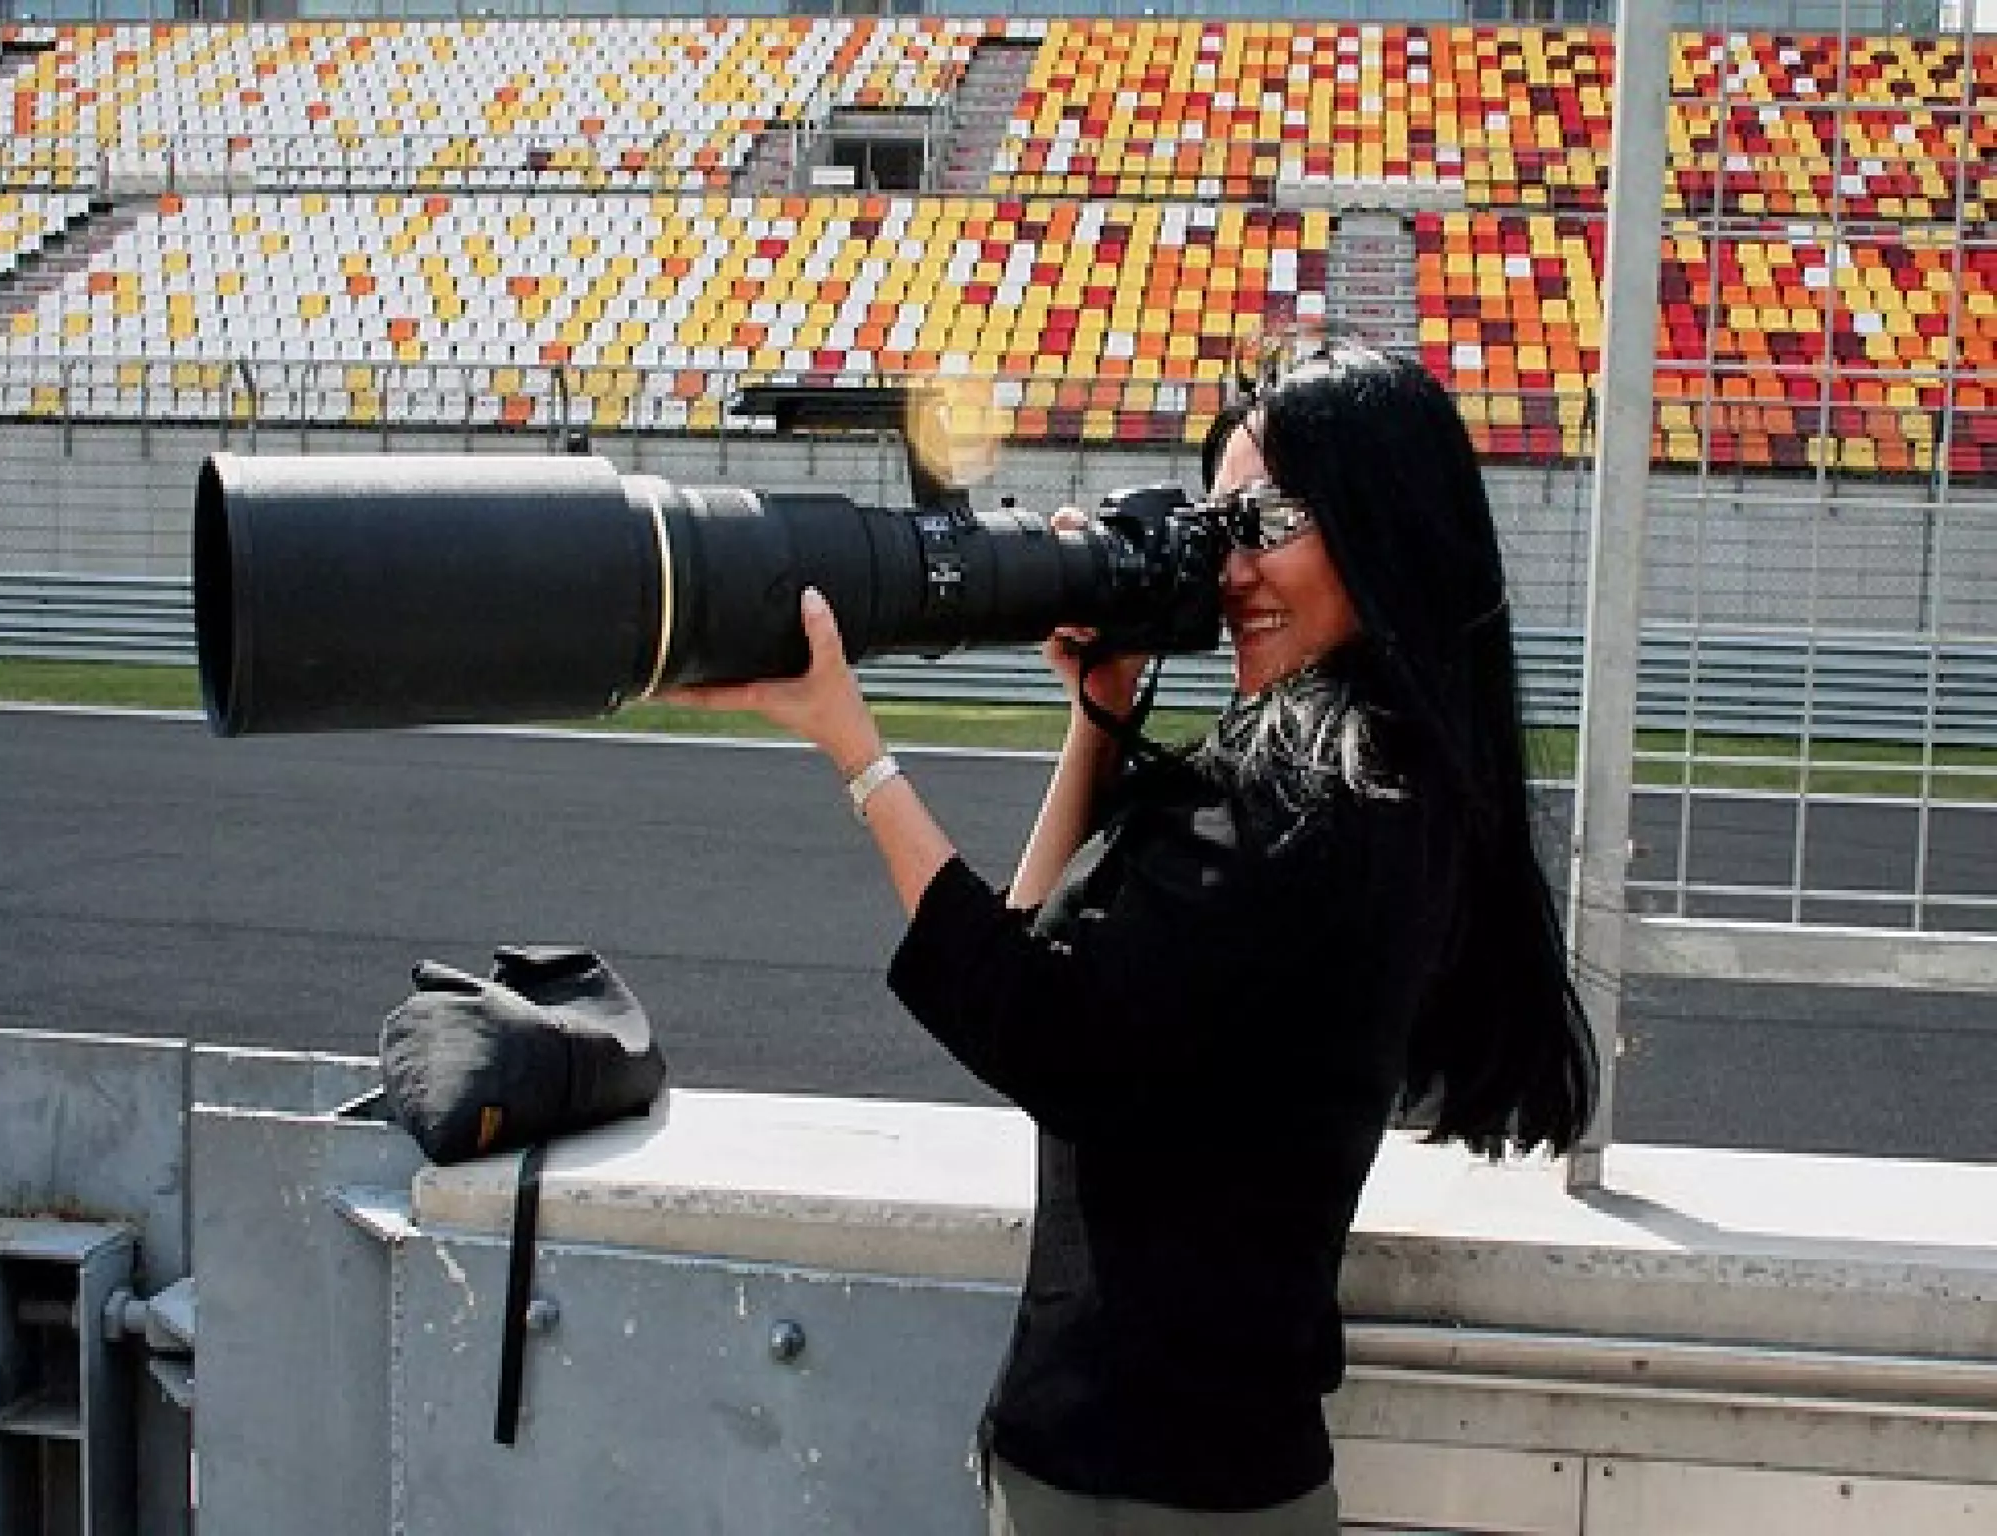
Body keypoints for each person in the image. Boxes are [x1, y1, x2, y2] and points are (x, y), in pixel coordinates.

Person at [663, 342, 1597, 1534]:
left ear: (1381, 525)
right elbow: (1041, 957)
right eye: (1218, 530)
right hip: (1204, 1469)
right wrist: (1097, 717)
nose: (1231, 572)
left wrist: (857, 751)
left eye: (1269, 523)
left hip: (1134, 1483)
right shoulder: (1379, 781)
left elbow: (1036, 1032)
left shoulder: (1301, 799)